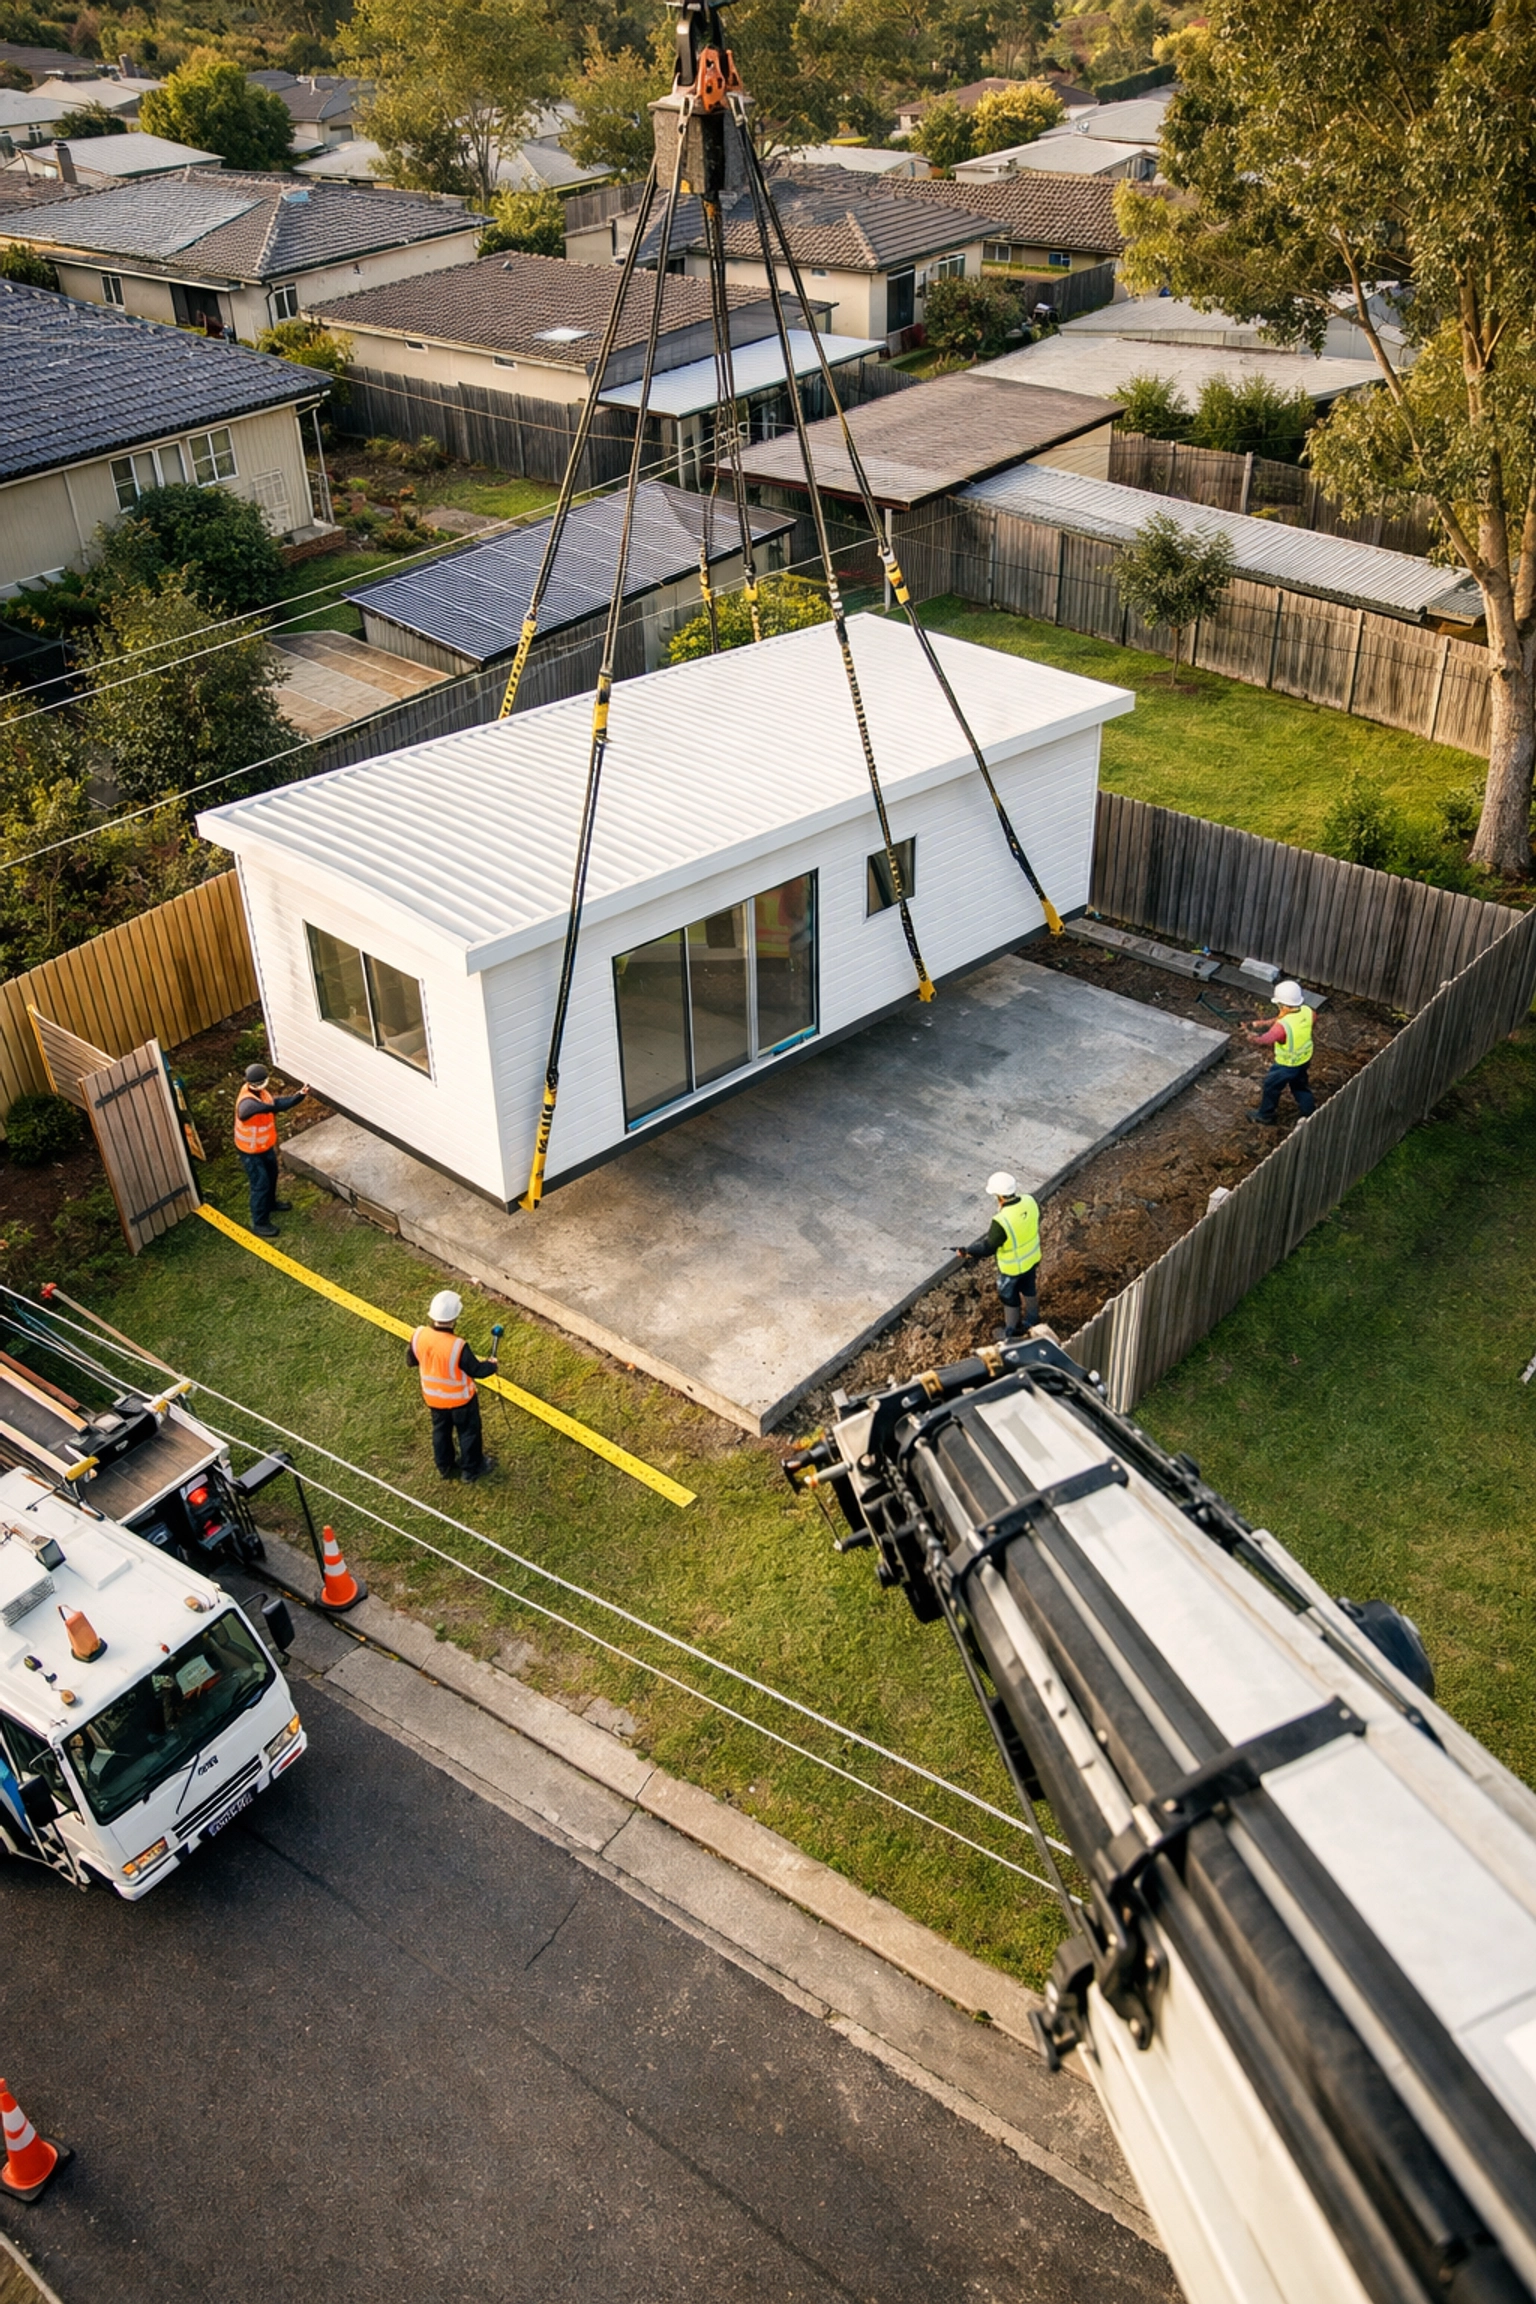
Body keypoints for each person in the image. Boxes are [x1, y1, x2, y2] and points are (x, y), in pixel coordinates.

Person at [407, 1290, 499, 1482]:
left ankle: (445, 1467)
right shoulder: (457, 1346)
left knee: (440, 1431)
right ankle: (471, 1469)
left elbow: (411, 1360)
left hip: (434, 1399)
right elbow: (477, 1370)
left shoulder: (419, 1335)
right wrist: (491, 1365)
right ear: (454, 1318)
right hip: (461, 1401)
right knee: (468, 1433)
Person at [953, 1170, 1042, 1342]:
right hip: (1031, 1259)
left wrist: (968, 1251)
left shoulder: (1001, 1221)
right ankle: (1033, 1320)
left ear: (999, 1196)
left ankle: (1011, 1332)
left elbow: (989, 1247)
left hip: (1012, 1268)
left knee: (1009, 1296)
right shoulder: (1030, 1201)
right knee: (1029, 1288)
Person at [233, 1063, 310, 1239]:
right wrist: (275, 1106)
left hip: (264, 1146)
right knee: (260, 1184)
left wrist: (299, 1095)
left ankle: (270, 1204)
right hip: (250, 1152)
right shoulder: (247, 1103)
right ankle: (259, 1223)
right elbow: (258, 1109)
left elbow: (277, 1103)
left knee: (272, 1175)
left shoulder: (262, 1094)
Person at [1245, 981, 1316, 1125]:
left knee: (1271, 1086)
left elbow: (1267, 1039)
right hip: (1303, 1059)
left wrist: (1252, 1038)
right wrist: (1264, 1023)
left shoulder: (1282, 1027)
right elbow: (1292, 1019)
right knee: (1300, 1087)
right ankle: (1310, 1111)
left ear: (1282, 1006)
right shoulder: (1309, 1012)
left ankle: (1266, 1115)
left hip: (1286, 1065)